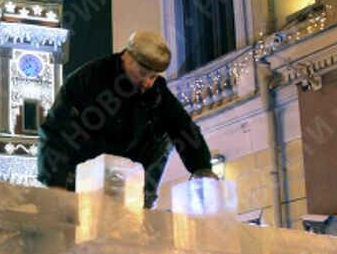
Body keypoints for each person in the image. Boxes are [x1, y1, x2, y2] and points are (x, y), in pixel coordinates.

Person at [38, 30, 215, 208]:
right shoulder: (90, 78)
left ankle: (143, 199)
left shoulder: (157, 94)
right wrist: (56, 184)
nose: (147, 83)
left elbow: (184, 128)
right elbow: (55, 131)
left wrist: (202, 168)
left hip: (132, 180)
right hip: (86, 174)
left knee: (167, 129)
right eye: (142, 73)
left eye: (153, 76)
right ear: (126, 57)